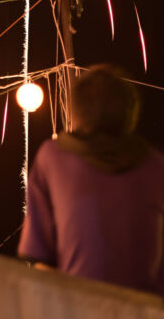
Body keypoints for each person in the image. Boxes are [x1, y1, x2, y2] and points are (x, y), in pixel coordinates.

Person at [18, 64, 164, 294]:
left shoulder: (53, 158)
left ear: (76, 109)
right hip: (151, 315)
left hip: (81, 309)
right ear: (131, 110)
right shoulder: (156, 166)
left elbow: (41, 260)